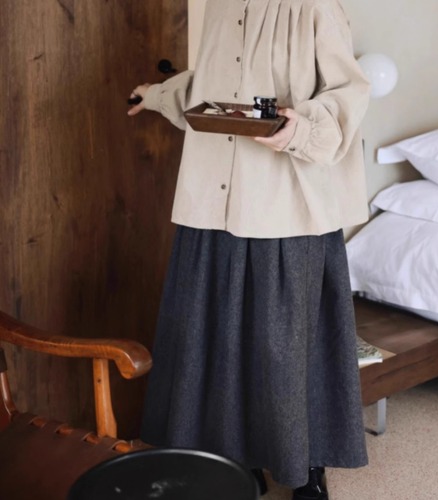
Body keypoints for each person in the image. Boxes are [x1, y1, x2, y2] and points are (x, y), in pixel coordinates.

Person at [128, 1, 370, 498]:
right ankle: (238, 461)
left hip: (286, 205)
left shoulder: (315, 7)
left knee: (287, 347)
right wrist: (156, 94)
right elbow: (210, 91)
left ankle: (308, 468)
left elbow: (349, 92)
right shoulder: (219, 7)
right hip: (213, 201)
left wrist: (300, 129)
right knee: (218, 339)